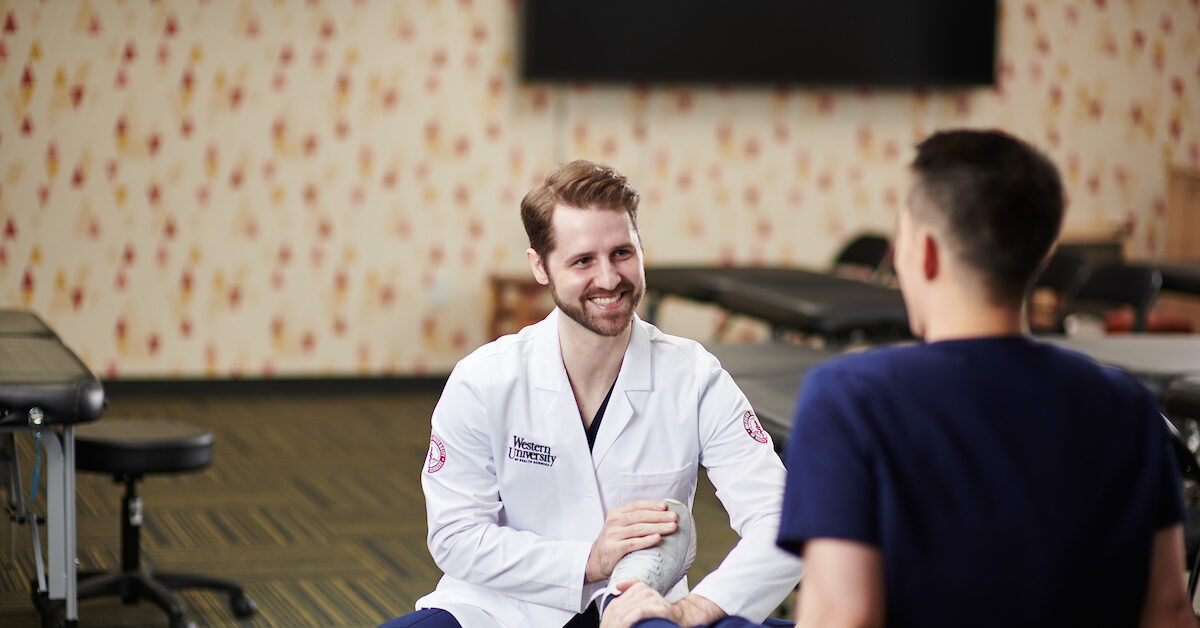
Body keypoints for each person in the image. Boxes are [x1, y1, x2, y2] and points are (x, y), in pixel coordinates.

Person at [603, 129, 1195, 628]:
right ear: (1040, 258)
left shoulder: (851, 400)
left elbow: (842, 617)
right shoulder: (1128, 409)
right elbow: (1169, 612)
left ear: (927, 254)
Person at [378, 159, 802, 628]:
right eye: (583, 260)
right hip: (500, 609)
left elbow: (785, 522)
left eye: (622, 253)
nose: (608, 279)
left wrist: (695, 608)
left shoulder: (693, 377)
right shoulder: (482, 382)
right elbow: (455, 536)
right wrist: (588, 561)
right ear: (540, 267)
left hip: (634, 609)